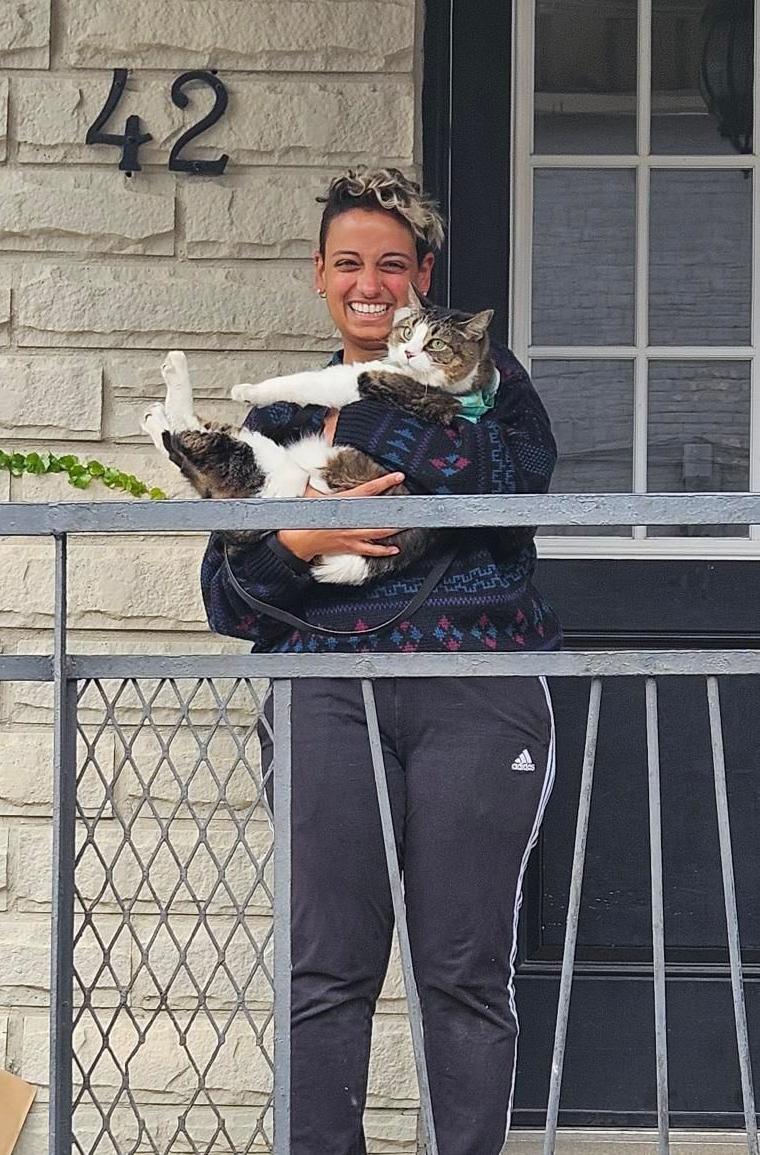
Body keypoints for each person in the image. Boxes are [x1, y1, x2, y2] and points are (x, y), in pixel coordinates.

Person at [200, 169, 561, 1155]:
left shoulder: (488, 383)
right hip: (323, 698)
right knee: (327, 972)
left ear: (422, 276)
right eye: (349, 263)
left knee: (464, 973)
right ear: (319, 273)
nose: (370, 284)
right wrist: (308, 542)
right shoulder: (278, 421)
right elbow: (229, 597)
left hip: (475, 695)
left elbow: (518, 479)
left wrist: (367, 413)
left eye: (392, 265)